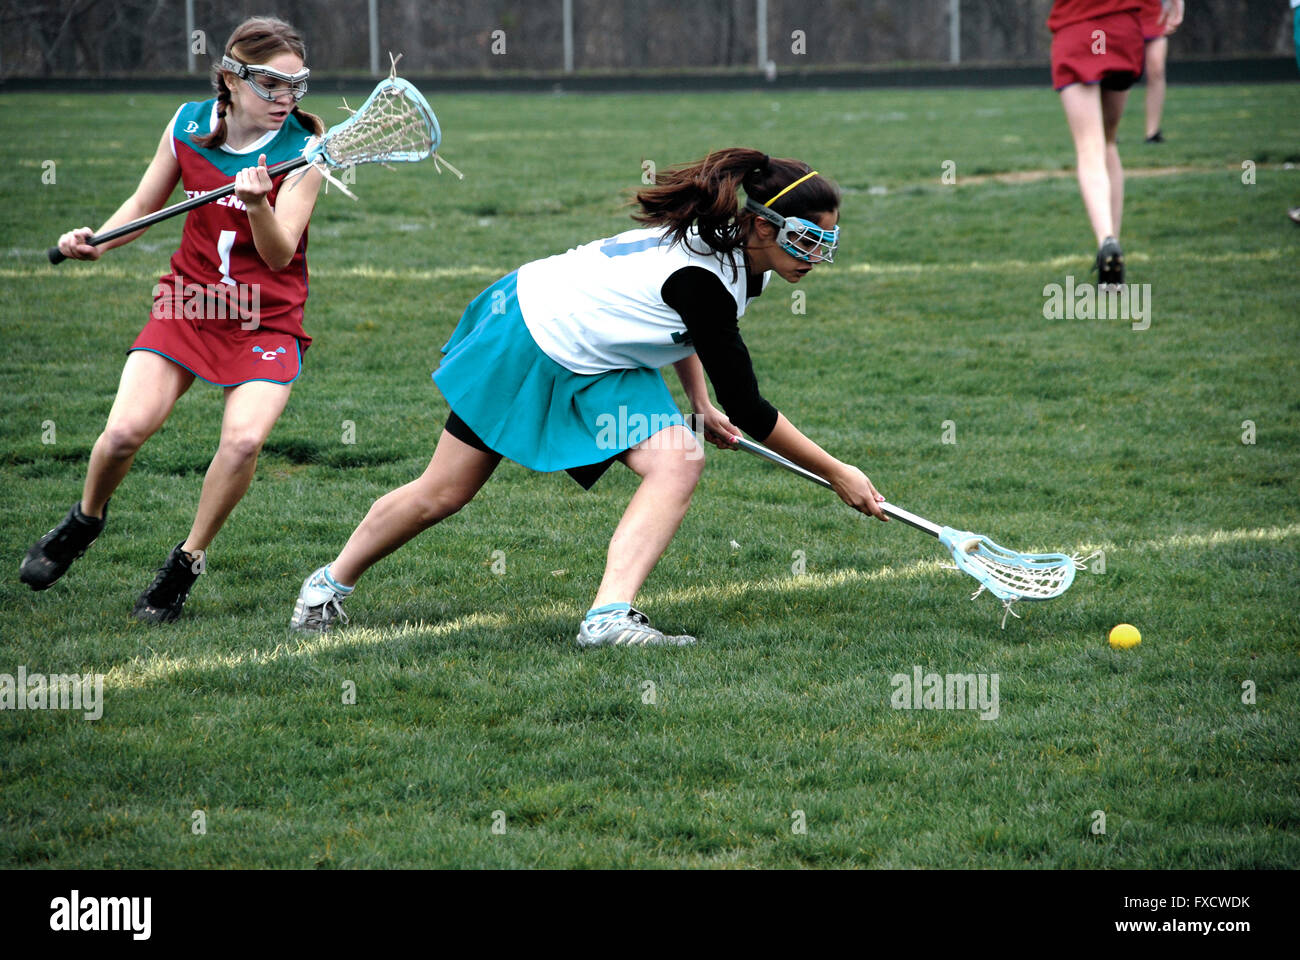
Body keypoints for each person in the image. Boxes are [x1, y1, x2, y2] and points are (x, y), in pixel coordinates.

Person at [289, 148, 889, 646]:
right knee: (444, 492)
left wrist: (699, 402)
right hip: (530, 334)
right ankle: (327, 586)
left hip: (600, 356)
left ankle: (608, 618)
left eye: (827, 242)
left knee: (678, 456)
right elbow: (752, 409)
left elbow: (672, 326)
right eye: (809, 239)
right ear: (762, 224)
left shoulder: (736, 264)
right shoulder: (706, 278)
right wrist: (838, 473)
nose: (819, 256)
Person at [20, 17, 325, 622]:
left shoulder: (307, 151)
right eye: (272, 86)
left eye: (296, 86)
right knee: (124, 433)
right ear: (232, 79)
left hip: (265, 318)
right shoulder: (187, 126)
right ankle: (85, 520)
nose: (286, 100)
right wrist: (96, 242)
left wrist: (259, 203)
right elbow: (143, 206)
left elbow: (279, 251)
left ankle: (185, 562)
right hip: (189, 303)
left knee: (242, 442)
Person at [1048, 0, 1149, 286]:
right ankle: (1113, 247)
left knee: (1089, 147)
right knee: (1108, 142)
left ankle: (1106, 241)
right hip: (1121, 31)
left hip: (1077, 29)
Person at [1140, 0, 1185, 143]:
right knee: (1120, 74)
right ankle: (1109, 131)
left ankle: (1152, 132)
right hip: (1124, 14)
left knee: (1156, 70)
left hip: (1153, 13)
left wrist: (1175, 5)